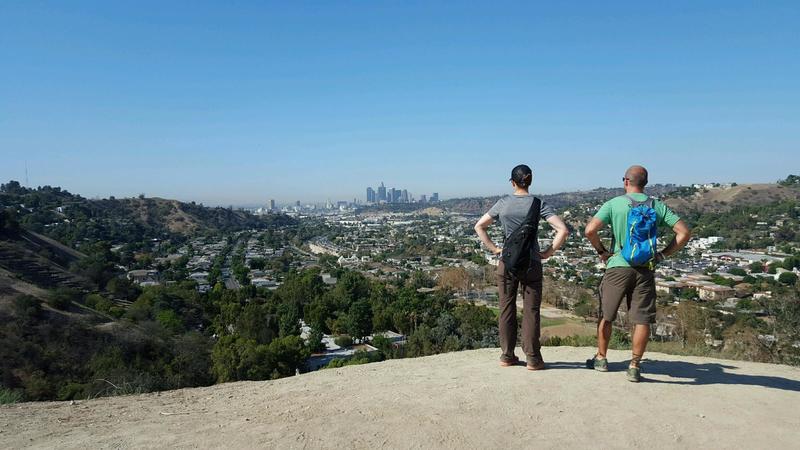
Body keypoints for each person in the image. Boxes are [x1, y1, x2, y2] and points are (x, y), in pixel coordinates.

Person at [584, 165, 691, 382]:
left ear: (625, 181)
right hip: (645, 268)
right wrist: (662, 255)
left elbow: (590, 230)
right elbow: (684, 232)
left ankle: (602, 358)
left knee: (607, 315)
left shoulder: (614, 204)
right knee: (641, 320)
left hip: (618, 266)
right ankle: (634, 365)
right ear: (645, 183)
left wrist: (602, 251)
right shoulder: (656, 206)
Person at [474, 164, 570, 370]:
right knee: (531, 310)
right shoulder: (538, 204)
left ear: (512, 182)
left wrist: (495, 249)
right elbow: (563, 230)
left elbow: (479, 226)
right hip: (531, 263)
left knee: (506, 308)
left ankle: (507, 355)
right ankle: (533, 358)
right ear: (531, 180)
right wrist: (547, 252)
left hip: (507, 262)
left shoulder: (503, 203)